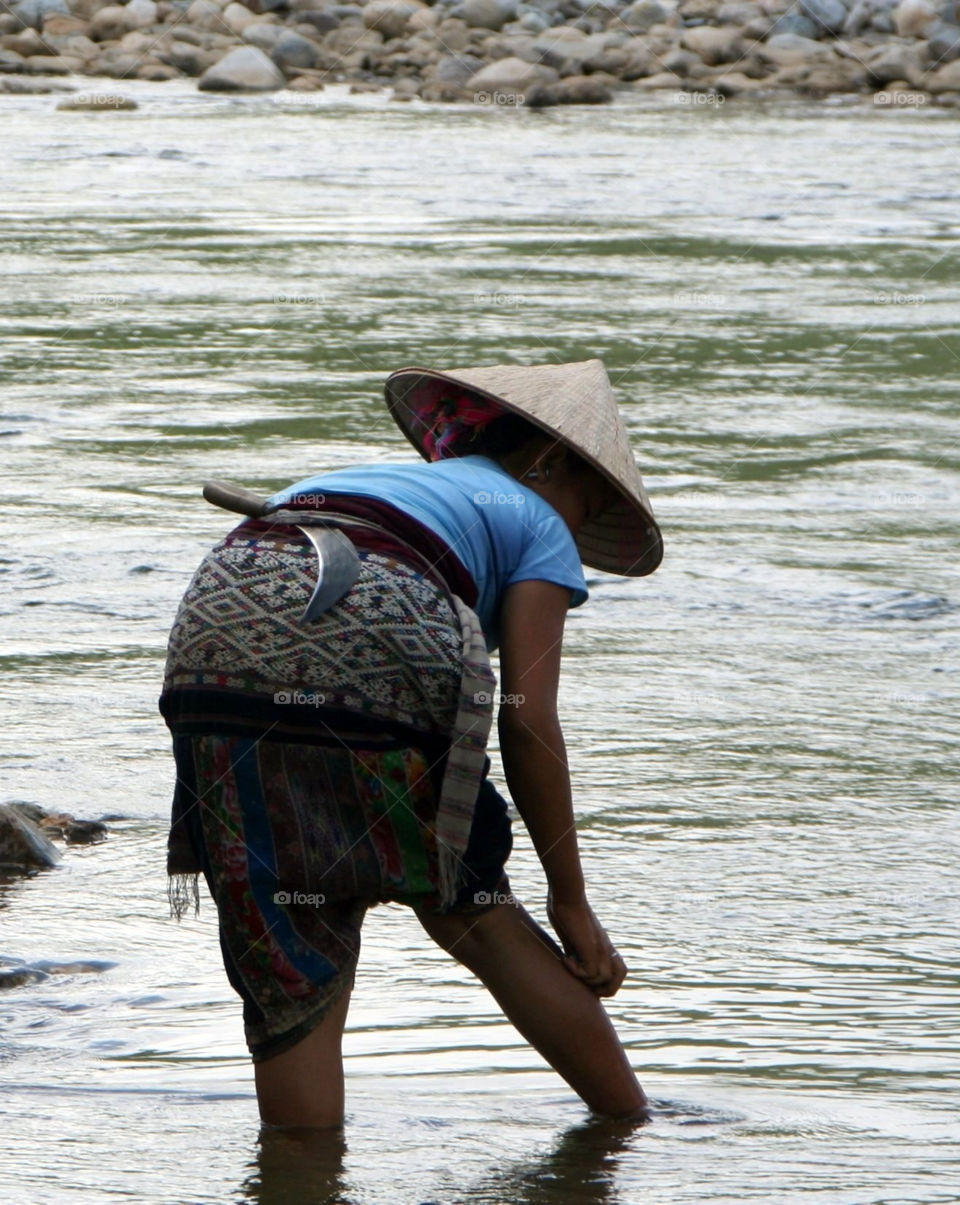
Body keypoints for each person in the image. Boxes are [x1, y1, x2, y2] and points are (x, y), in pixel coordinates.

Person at [159, 358, 663, 1129]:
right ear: (549, 461)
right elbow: (527, 716)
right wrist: (573, 903)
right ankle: (629, 1128)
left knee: (291, 935)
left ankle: (301, 1171)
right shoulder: (533, 519)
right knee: (470, 899)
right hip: (378, 616)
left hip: (215, 634)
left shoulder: (369, 479)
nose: (572, 529)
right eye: (581, 505)